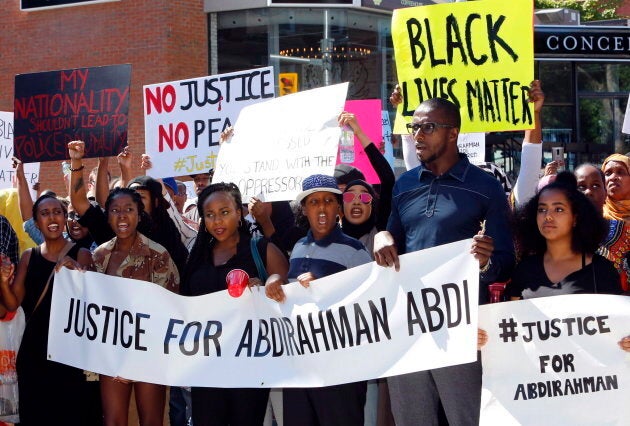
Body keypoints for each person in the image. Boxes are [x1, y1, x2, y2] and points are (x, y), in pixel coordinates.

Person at [373, 97, 515, 426]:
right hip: (408, 326)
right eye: (415, 127)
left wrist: (484, 263)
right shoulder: (404, 186)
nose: (418, 135)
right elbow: (393, 240)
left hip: (461, 330)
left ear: (453, 133)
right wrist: (382, 238)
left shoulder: (486, 187)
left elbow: (506, 261)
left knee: (467, 419)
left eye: (428, 127)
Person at [266, 174, 372, 426]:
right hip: (300, 366)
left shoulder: (356, 250)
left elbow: (371, 302)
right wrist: (275, 282)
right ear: (304, 208)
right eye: (314, 202)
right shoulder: (299, 248)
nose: (321, 208)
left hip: (340, 371)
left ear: (338, 207)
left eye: (328, 201)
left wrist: (325, 287)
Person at [180, 182, 288, 426]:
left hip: (249, 369)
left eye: (225, 212)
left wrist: (270, 284)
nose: (217, 221)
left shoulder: (262, 250)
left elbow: (288, 294)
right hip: (206, 369)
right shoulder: (197, 257)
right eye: (210, 215)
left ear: (239, 213)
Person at [0, 193, 94, 425]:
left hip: (70, 356)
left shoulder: (81, 253)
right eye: (44, 213)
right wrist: (3, 282)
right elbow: (13, 303)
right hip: (34, 355)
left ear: (64, 218)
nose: (52, 218)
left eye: (57, 212)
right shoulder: (28, 257)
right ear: (36, 221)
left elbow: (92, 304)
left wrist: (78, 272)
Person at [92, 187, 179, 426]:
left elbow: (168, 308)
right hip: (112, 355)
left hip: (148, 353)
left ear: (139, 215)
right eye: (115, 210)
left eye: (129, 209)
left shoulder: (157, 255)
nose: (122, 216)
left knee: (151, 421)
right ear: (107, 216)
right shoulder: (100, 256)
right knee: (113, 421)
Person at [507, 172, 622, 298]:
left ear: (575, 218)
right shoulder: (524, 269)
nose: (548, 216)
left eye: (559, 209)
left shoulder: (601, 270)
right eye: (542, 209)